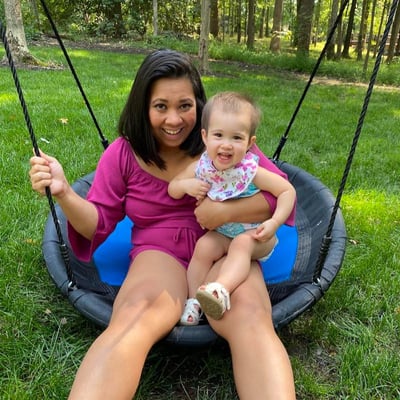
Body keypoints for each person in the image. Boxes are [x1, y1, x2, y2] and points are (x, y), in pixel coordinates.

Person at [29, 49, 296, 400]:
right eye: (161, 107)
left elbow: (280, 198)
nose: (174, 119)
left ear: (199, 107)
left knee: (250, 316)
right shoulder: (123, 154)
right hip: (159, 251)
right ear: (144, 106)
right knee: (137, 313)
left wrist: (226, 213)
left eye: (184, 106)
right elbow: (97, 224)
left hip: (226, 246)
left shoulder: (225, 143)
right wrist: (64, 194)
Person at [168, 92, 296, 325]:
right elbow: (173, 187)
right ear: (205, 137)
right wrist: (187, 185)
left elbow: (287, 191)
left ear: (250, 143)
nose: (226, 145)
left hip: (257, 236)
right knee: (204, 247)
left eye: (237, 138)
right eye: (218, 135)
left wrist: (275, 222)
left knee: (241, 244)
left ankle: (220, 290)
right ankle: (195, 301)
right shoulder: (202, 166)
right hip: (222, 233)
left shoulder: (250, 170)